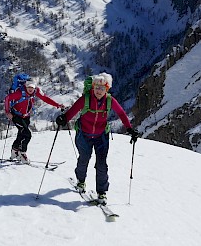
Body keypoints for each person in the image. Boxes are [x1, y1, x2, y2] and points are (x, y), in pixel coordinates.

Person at [56, 73, 140, 204]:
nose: (99, 91)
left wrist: (129, 128)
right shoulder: (86, 99)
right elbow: (73, 111)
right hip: (84, 134)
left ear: (107, 89)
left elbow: (122, 114)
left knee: (101, 164)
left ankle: (102, 192)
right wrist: (64, 119)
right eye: (97, 87)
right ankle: (81, 181)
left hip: (101, 136)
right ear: (93, 87)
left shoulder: (109, 100)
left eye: (102, 88)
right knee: (84, 159)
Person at [4, 75, 64, 163]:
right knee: (27, 135)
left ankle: (14, 151)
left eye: (32, 87)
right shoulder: (20, 92)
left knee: (21, 134)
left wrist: (57, 105)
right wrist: (7, 112)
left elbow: (45, 98)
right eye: (28, 87)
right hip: (16, 116)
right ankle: (22, 154)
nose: (30, 89)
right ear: (25, 86)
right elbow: (7, 98)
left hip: (26, 116)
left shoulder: (36, 91)